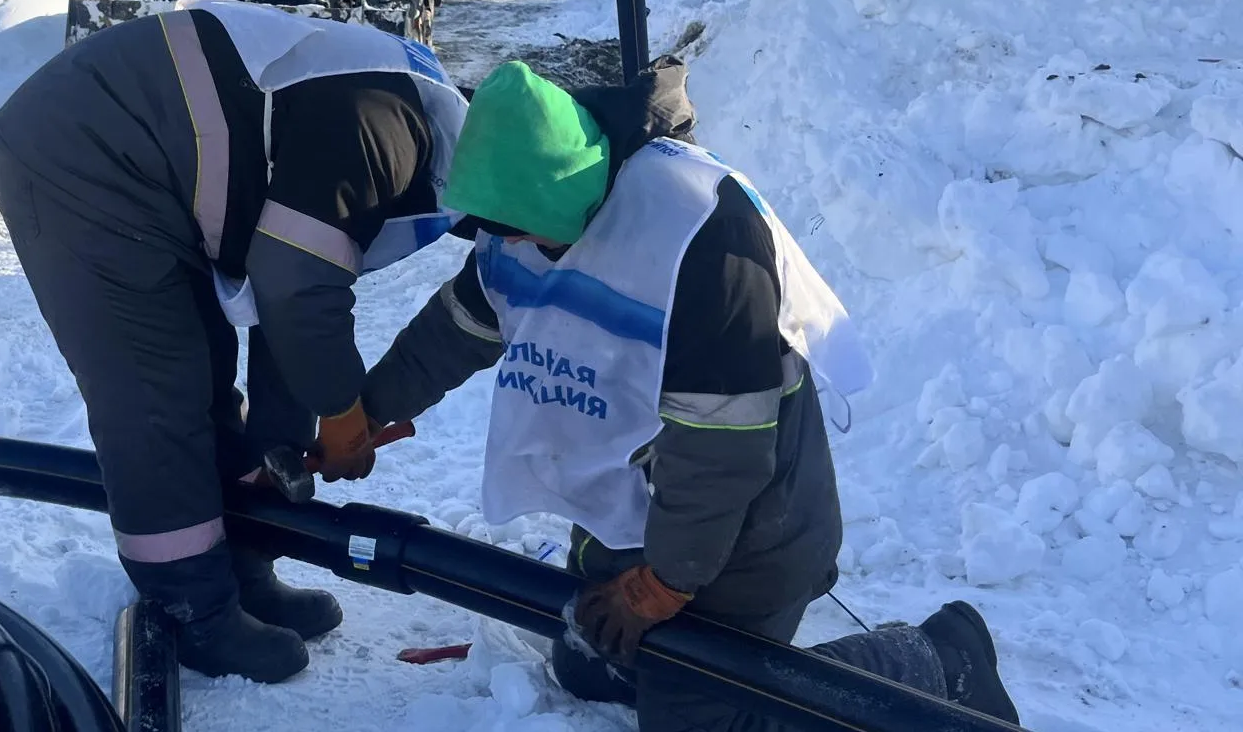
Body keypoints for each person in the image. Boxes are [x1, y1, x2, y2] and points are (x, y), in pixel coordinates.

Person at [357, 58, 1021, 731]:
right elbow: (457, 328)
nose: (506, 242)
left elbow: (720, 456)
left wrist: (661, 586)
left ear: (562, 196)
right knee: (587, 659)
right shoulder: (522, 221)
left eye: (517, 226)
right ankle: (664, 645)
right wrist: (365, 411)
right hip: (638, 509)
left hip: (749, 535)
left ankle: (939, 657)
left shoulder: (700, 237)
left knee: (699, 720)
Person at [0, 0, 468, 684]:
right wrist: (340, 409)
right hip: (85, 157)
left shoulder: (404, 119)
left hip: (146, 165)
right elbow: (296, 288)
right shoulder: (386, 130)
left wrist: (288, 443)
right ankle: (194, 611)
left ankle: (240, 571)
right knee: (157, 397)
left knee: (206, 383)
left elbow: (289, 310)